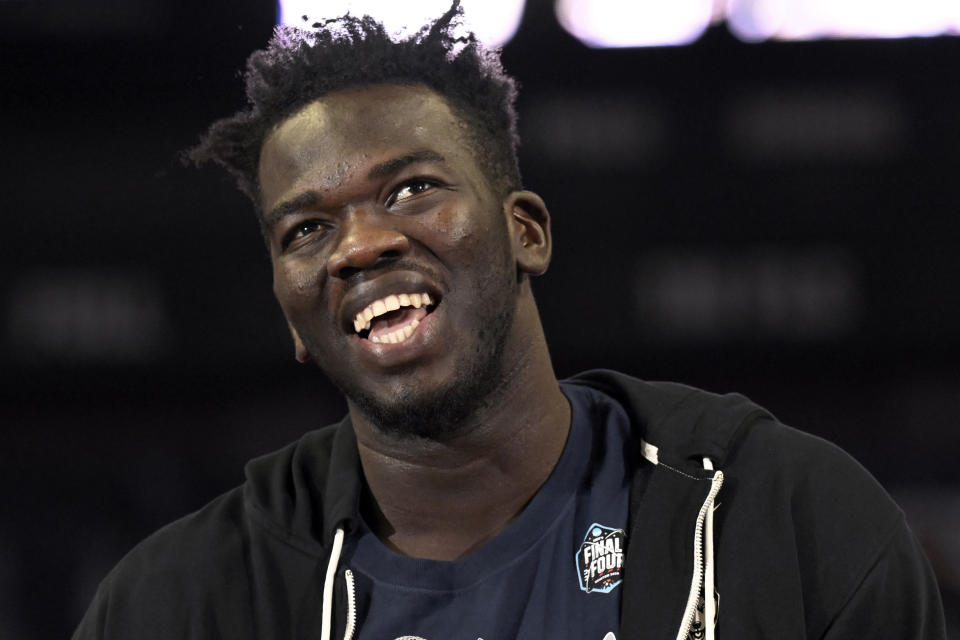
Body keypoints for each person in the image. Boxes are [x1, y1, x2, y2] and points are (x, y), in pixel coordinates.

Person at [73, 3, 946, 639]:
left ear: (525, 231)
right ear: (293, 317)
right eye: (307, 229)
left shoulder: (788, 521)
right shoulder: (176, 605)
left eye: (413, 188)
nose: (361, 245)